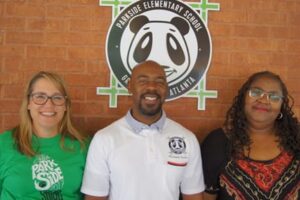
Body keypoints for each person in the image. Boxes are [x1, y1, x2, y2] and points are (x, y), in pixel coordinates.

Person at [81, 60, 205, 200]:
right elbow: (95, 197)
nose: (152, 87)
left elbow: (193, 195)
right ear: (130, 86)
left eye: (159, 81)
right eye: (143, 81)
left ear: (167, 88)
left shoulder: (187, 139)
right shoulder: (104, 139)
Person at [201, 71, 300, 200]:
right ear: (244, 97)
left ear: (281, 106)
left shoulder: (297, 139)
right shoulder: (217, 142)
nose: (264, 100)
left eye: (274, 96)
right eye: (256, 92)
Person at [0, 71, 89, 199]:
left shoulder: (84, 146)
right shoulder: (3, 144)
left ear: (65, 106)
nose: (48, 104)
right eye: (40, 97)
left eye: (57, 97)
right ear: (28, 103)